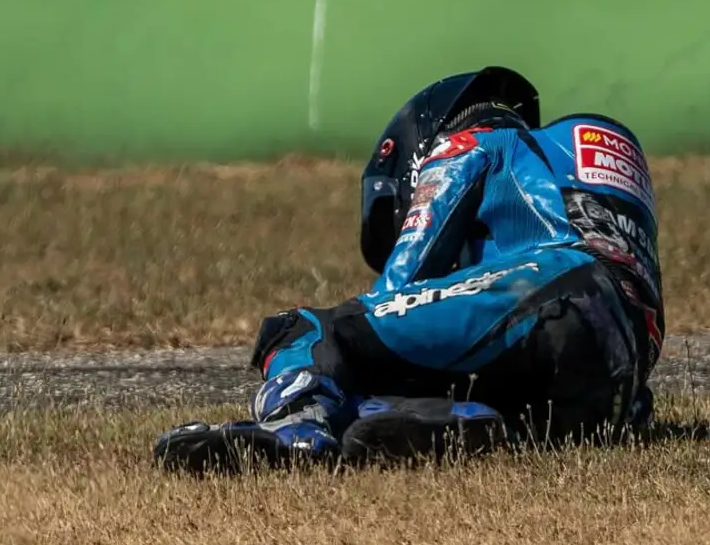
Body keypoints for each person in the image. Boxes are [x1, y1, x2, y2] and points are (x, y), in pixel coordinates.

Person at [154, 67, 664, 472]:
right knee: (446, 385)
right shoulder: (564, 162)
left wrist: (356, 346)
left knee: (310, 330)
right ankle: (453, 420)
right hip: (620, 382)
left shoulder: (478, 134)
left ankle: (296, 427)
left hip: (553, 286)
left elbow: (403, 283)